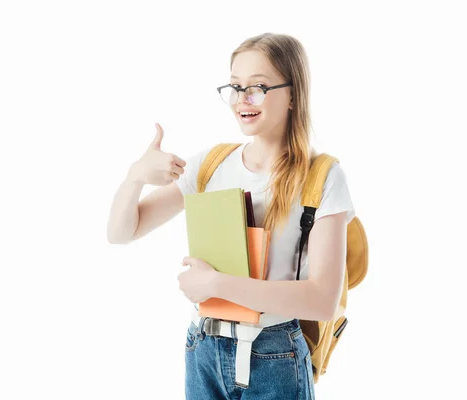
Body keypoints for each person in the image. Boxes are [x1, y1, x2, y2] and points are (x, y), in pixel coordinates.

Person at [106, 32, 355, 400]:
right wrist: (134, 177)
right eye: (236, 87)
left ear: (292, 94)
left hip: (275, 355)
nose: (243, 100)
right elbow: (122, 232)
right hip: (203, 346)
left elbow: (322, 300)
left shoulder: (321, 176)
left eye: (257, 87)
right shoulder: (210, 165)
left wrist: (216, 285)